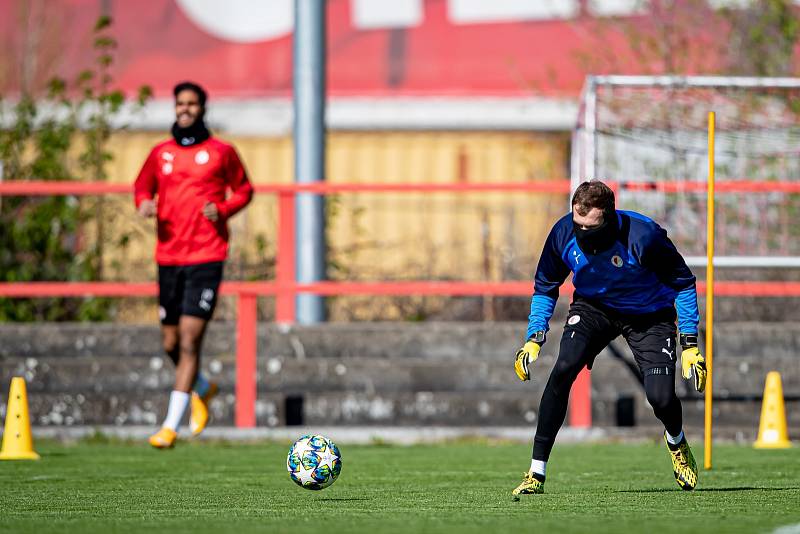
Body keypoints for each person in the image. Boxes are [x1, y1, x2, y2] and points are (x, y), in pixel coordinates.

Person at [512, 180, 707, 496]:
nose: (580, 233)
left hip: (648, 315)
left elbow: (684, 284)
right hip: (595, 308)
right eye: (577, 224)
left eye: (588, 228)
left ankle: (676, 441)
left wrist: (689, 344)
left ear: (609, 220)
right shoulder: (563, 233)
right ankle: (536, 472)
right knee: (564, 368)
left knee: (660, 398)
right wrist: (534, 337)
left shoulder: (644, 238)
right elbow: (545, 286)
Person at [134, 81, 253, 448]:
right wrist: (144, 204)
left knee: (189, 340)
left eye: (192, 104)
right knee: (170, 341)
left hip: (207, 254)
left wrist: (225, 209)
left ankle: (170, 426)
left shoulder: (221, 152)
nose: (185, 109)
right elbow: (141, 187)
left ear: (203, 108)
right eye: (180, 104)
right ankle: (202, 387)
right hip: (169, 255)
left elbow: (245, 189)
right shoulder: (161, 154)